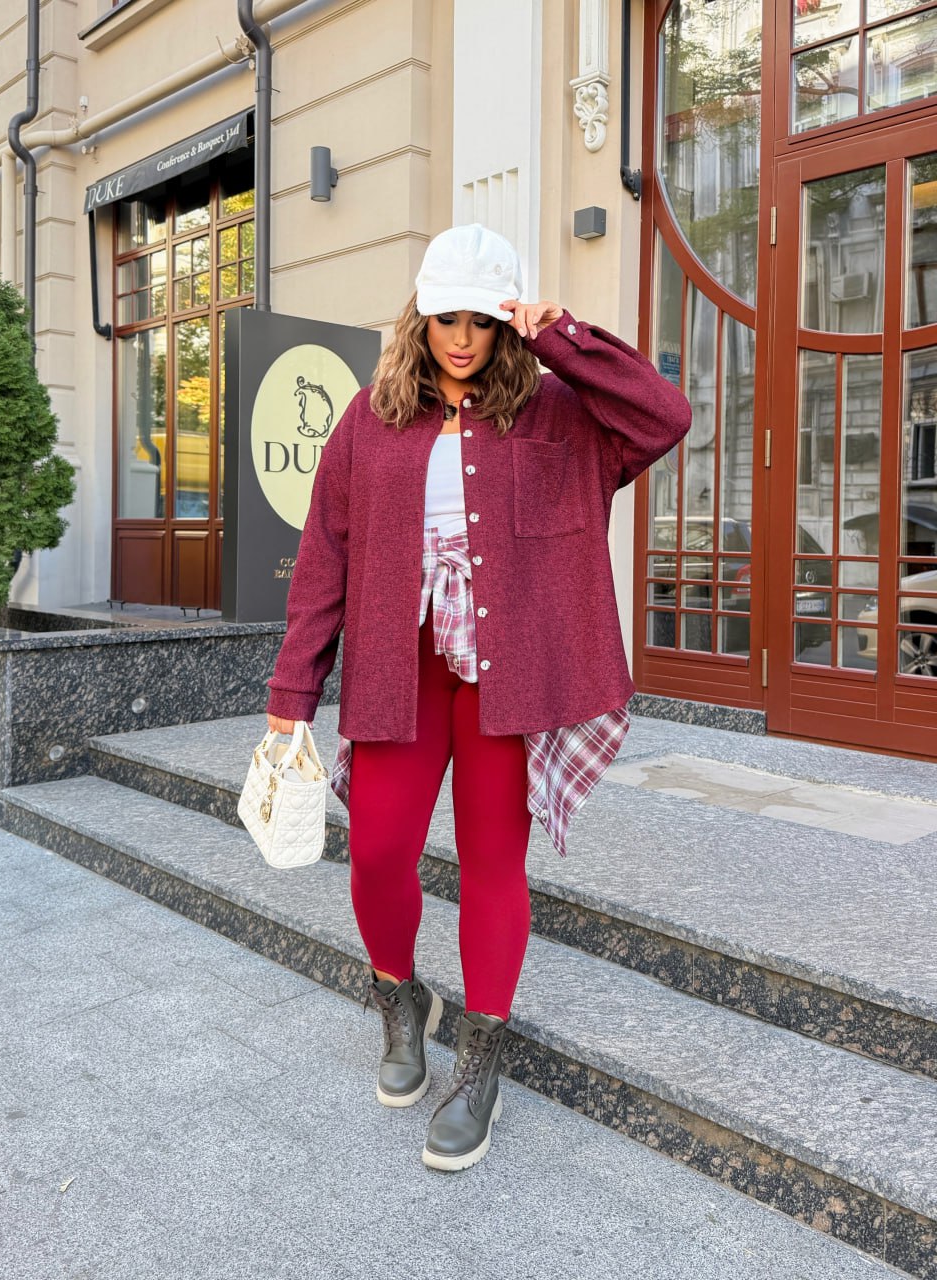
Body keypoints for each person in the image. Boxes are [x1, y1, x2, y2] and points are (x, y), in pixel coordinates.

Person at [265, 223, 692, 1172]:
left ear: (505, 324)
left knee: (495, 863)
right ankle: (400, 997)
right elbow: (325, 557)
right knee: (377, 851)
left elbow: (664, 415)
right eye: (446, 317)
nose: (462, 338)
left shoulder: (558, 413)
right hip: (401, 668)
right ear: (419, 317)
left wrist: (560, 336)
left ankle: (482, 1059)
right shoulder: (369, 420)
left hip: (509, 674)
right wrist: (294, 686)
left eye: (482, 320)